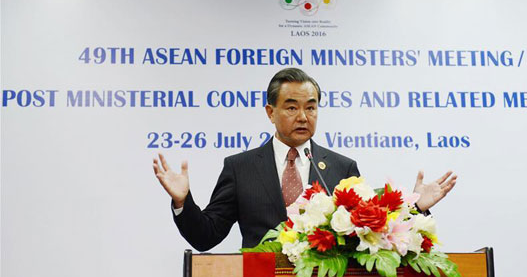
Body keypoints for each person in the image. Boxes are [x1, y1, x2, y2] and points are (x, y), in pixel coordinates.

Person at [153, 68, 457, 251]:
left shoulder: (341, 168)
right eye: (291, 107)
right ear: (270, 112)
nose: (303, 117)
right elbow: (207, 236)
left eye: (311, 108)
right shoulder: (240, 168)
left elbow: (369, 231)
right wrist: (183, 202)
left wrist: (416, 208)